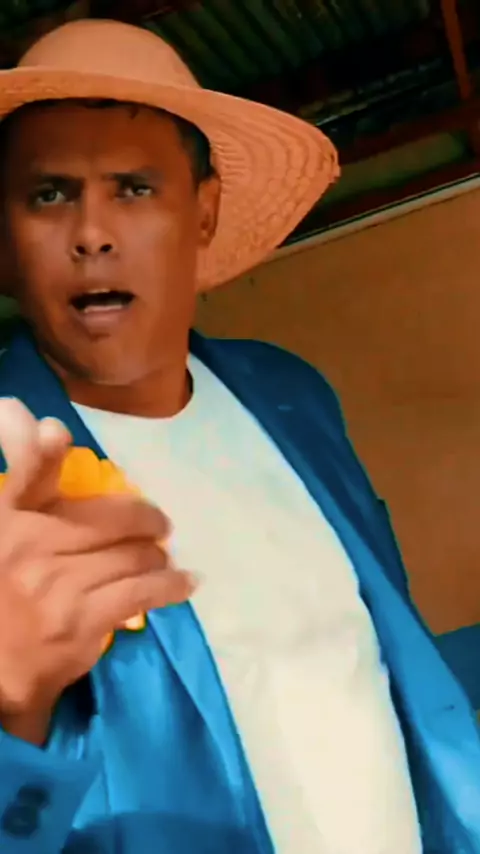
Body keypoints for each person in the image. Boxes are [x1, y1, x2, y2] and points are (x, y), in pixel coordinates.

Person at [0, 17, 478, 854]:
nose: (92, 233)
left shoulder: (291, 396)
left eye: (134, 188)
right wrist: (12, 706)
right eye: (49, 195)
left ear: (205, 212)